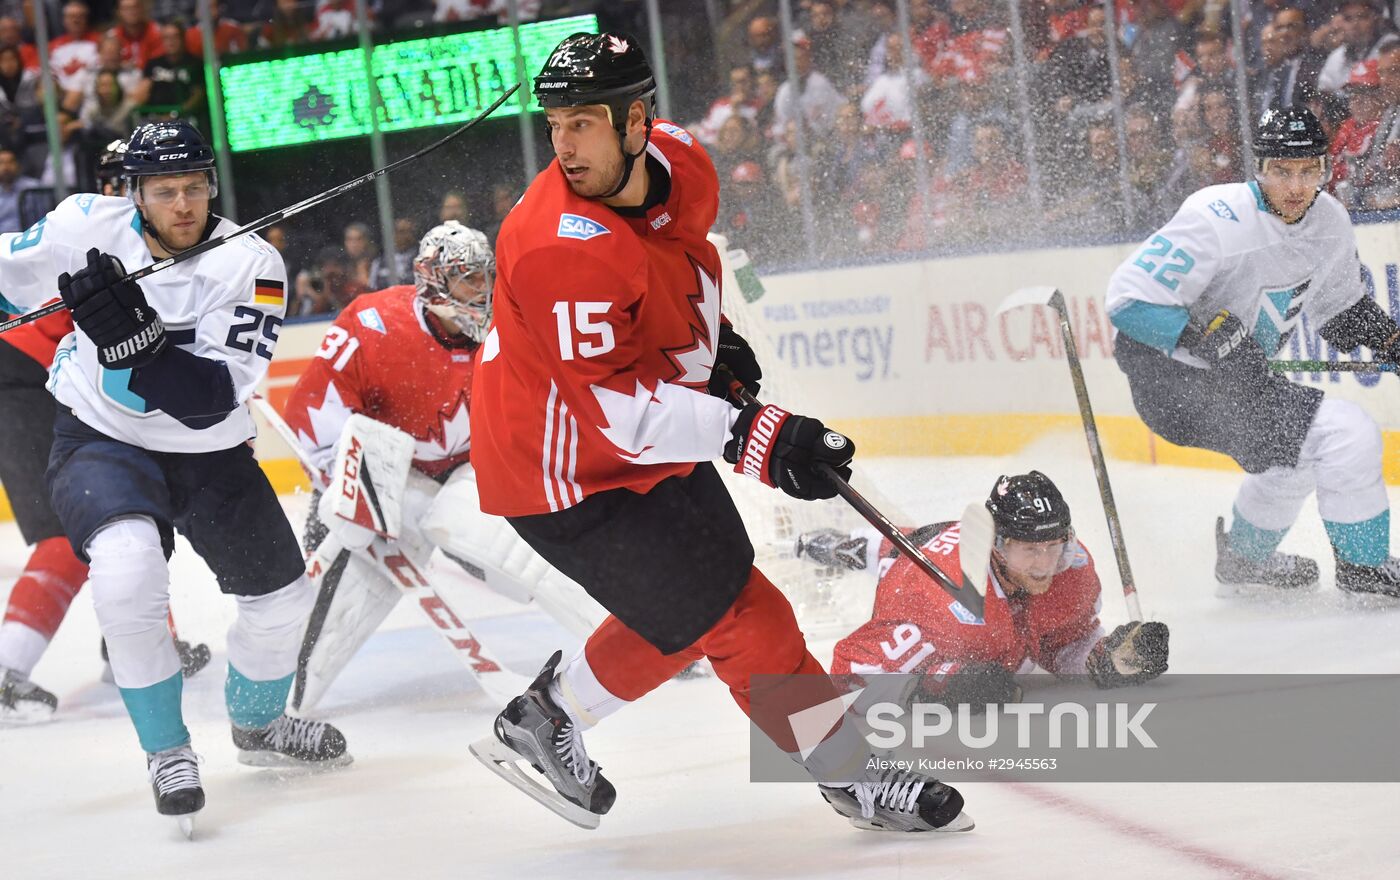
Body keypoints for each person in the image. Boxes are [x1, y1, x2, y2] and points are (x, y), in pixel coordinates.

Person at [469, 31, 970, 834]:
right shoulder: (557, 246)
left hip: (625, 435)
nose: (563, 145)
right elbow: (621, 416)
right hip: (561, 470)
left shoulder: (683, 162)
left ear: (638, 123)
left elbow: (676, 262)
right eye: (555, 124)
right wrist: (754, 434)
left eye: (584, 122)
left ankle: (546, 714)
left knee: (696, 609)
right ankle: (850, 774)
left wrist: (709, 346)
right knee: (733, 615)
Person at [0, 121, 349, 833]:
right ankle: (167, 752)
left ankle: (257, 728)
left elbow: (210, 400)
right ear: (135, 192)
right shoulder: (81, 226)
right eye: (165, 191)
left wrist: (143, 346)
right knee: (126, 575)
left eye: (195, 188)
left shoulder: (251, 264)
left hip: (212, 453)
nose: (183, 205)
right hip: (101, 439)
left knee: (283, 602)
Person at [281, 221, 604, 711]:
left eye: (485, 276)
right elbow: (312, 408)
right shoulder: (373, 322)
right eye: (468, 278)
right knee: (342, 597)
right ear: (433, 280)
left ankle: (639, 637)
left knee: (534, 552)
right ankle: (279, 709)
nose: (483, 289)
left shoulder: (514, 324)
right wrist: (341, 482)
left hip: (472, 468)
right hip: (391, 477)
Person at [1106, 106, 1400, 600]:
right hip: (1173, 383)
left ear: (1327, 170)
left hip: (1238, 385)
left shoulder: (1330, 221)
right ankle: (1364, 569)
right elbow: (1128, 302)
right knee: (1346, 433)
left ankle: (1244, 560)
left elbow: (1340, 308)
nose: (1295, 186)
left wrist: (1390, 341)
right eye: (1281, 171)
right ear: (1259, 169)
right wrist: (1204, 340)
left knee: (1298, 453)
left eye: (1309, 171)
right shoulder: (1215, 216)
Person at [1, 140, 209, 724]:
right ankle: (5, 671)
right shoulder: (94, 230)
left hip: (57, 383)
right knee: (67, 537)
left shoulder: (141, 236)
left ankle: (130, 648)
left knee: (129, 512)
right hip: (23, 377)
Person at [812, 472, 1168, 702]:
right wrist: (938, 685)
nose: (1045, 564)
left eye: (1053, 546)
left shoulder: (1070, 573)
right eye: (1030, 549)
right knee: (884, 550)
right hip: (912, 563)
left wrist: (1103, 659)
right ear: (996, 544)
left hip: (955, 553)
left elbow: (1061, 641)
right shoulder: (942, 600)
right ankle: (834, 545)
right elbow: (852, 676)